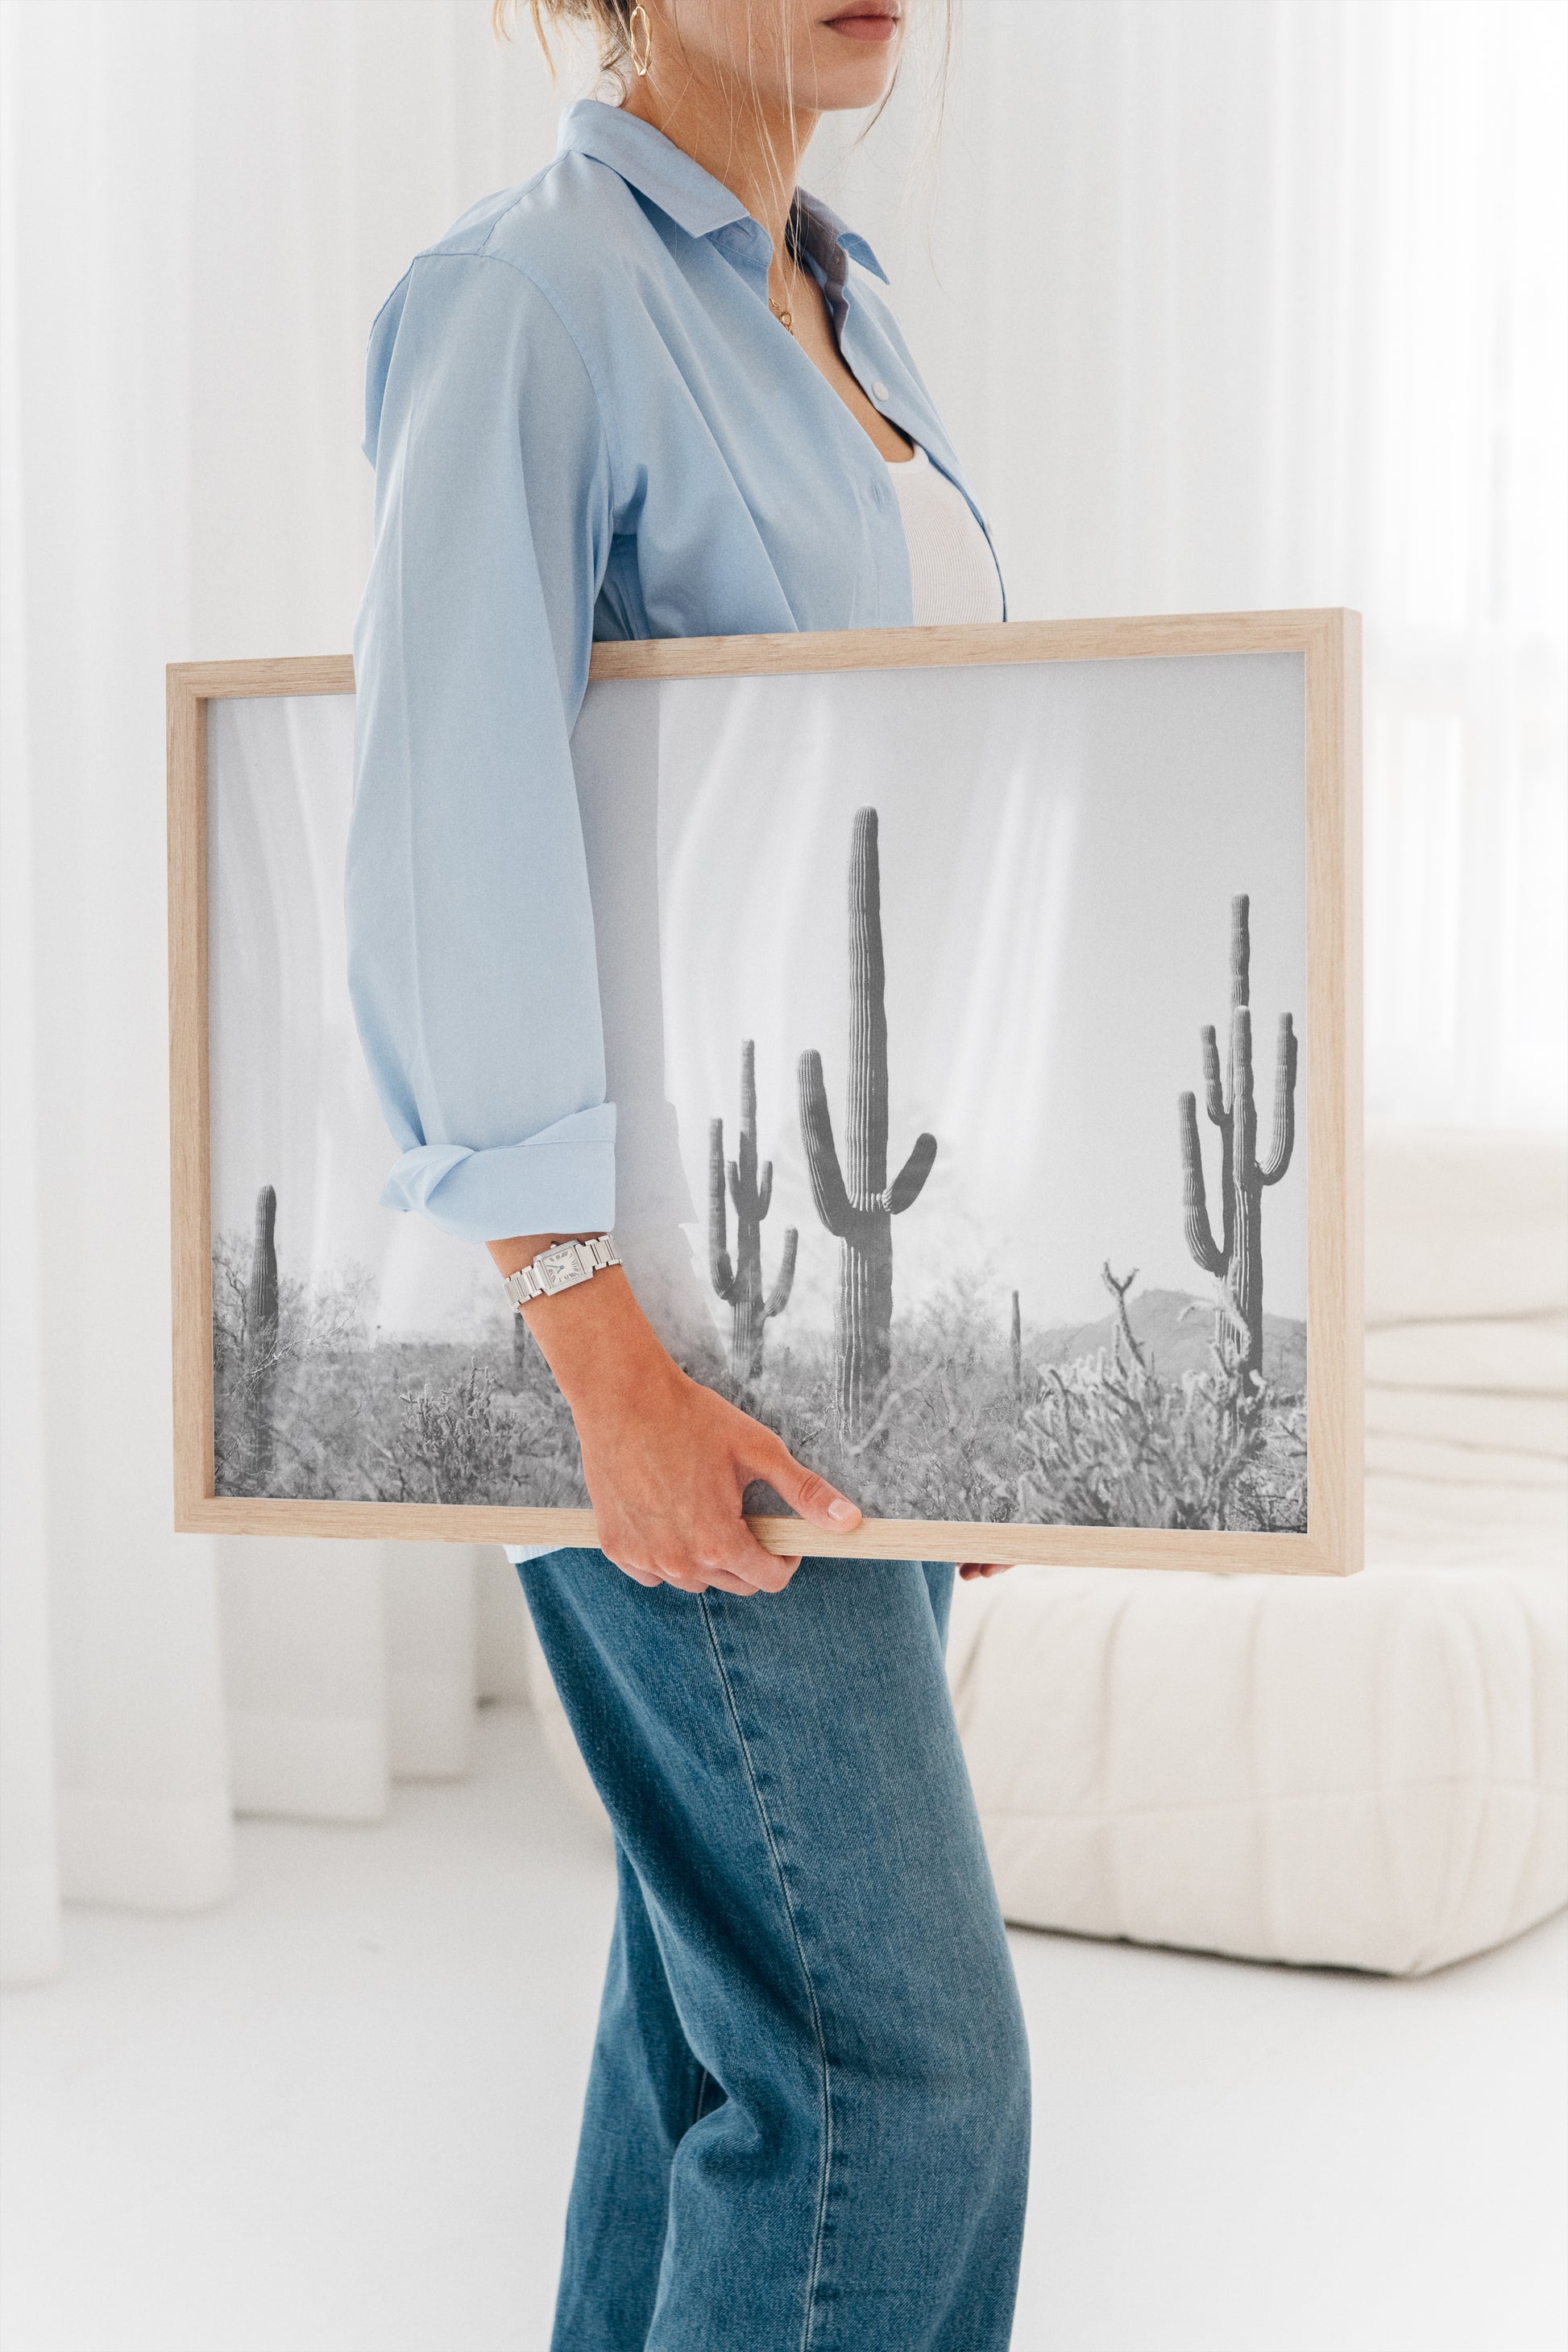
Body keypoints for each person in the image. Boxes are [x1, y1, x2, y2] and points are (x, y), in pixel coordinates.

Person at [344, 2, 1031, 2343]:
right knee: (892, 2076)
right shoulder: (526, 298)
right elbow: (451, 828)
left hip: (857, 1315)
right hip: (669, 1343)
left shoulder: (826, 289)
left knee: (722, 2036)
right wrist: (592, 1341)